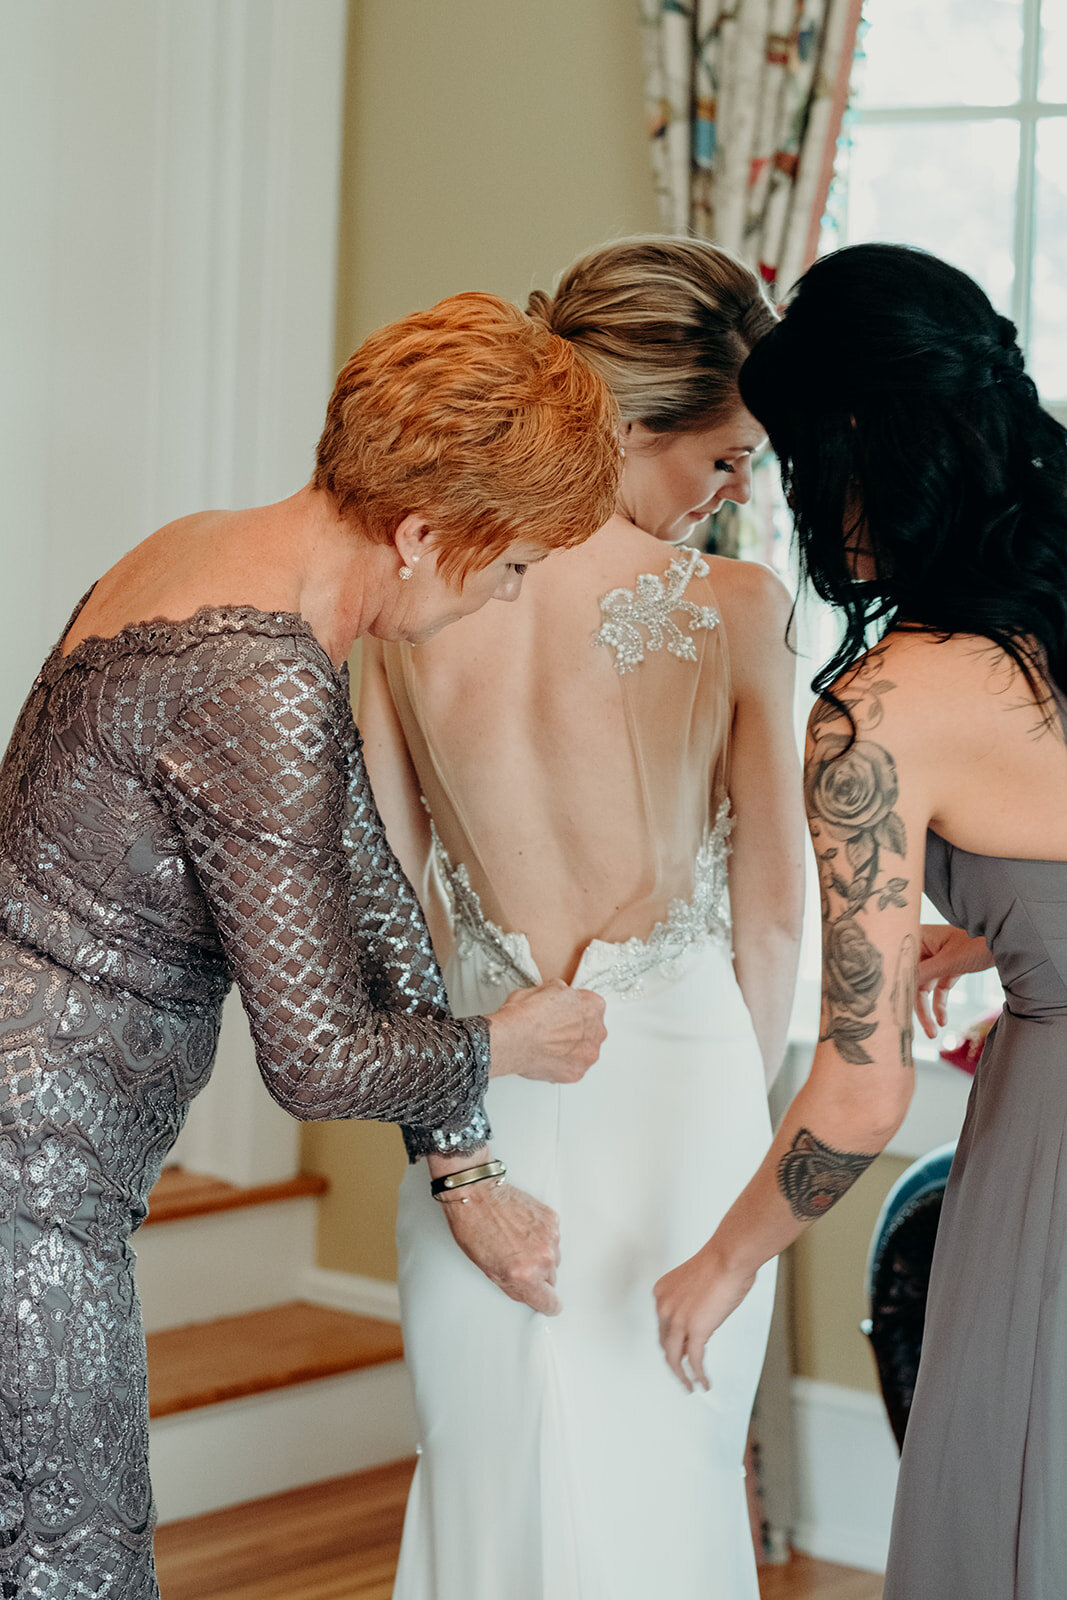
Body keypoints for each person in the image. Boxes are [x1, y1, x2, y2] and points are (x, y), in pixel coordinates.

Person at [0, 292, 619, 1599]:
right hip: (28, 1180)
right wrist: (505, 1042)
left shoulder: (205, 556)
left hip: (33, 1148)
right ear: (420, 534)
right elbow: (321, 1061)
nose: (509, 598)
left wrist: (461, 1163)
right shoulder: (267, 680)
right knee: (71, 1564)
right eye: (509, 567)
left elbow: (363, 875)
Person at [359, 236, 806, 1600]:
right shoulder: (738, 610)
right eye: (722, 457)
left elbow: (385, 904)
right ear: (629, 422)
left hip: (480, 1103)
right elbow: (778, 926)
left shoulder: (412, 597)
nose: (736, 490)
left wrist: (454, 1146)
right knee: (663, 1495)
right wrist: (761, 1099)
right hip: (688, 1098)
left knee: (493, 1486)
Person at [653, 242, 1067, 1599]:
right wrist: (1014, 935)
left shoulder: (885, 716)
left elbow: (860, 1095)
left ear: (852, 451)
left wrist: (718, 1266)